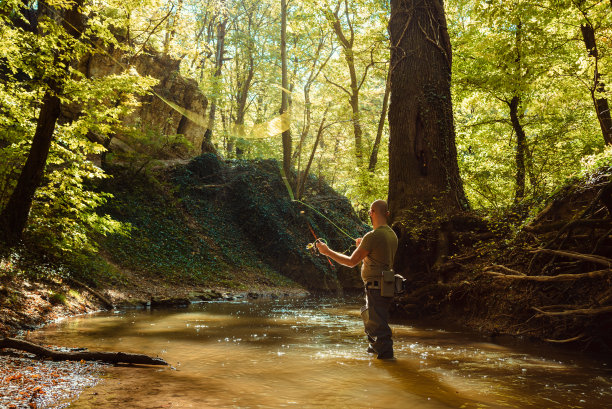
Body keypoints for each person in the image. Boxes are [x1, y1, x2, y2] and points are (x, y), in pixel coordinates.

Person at [316, 199, 398, 359]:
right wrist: (363, 247)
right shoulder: (391, 234)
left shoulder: (373, 236)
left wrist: (327, 252)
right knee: (373, 323)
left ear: (372, 213)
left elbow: (351, 262)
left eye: (370, 212)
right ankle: (375, 360)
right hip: (386, 285)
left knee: (379, 328)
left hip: (375, 287)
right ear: (387, 213)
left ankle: (388, 361)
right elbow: (379, 258)